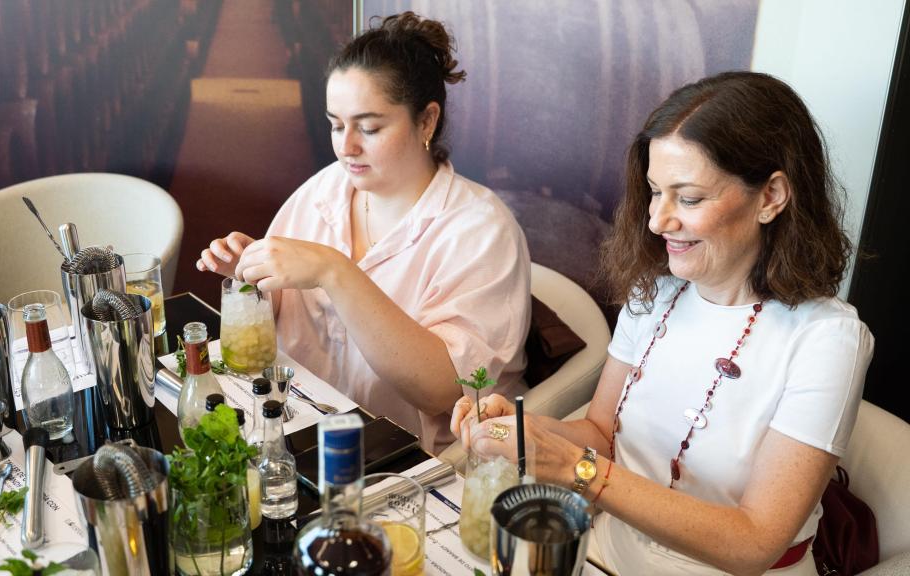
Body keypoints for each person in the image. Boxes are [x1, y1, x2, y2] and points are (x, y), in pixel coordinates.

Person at [452, 71, 874, 575]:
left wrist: (575, 470)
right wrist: (522, 430)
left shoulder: (828, 339)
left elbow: (755, 541)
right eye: (655, 192)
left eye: (689, 198)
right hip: (608, 549)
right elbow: (602, 433)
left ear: (770, 197)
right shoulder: (655, 293)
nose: (657, 220)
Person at [197, 12, 530, 451]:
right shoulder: (325, 190)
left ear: (426, 121)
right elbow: (283, 316)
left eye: (369, 128)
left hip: (411, 462)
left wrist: (335, 271)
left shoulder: (481, 230)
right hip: (302, 429)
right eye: (336, 124)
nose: (346, 146)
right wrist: (251, 278)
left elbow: (443, 388)